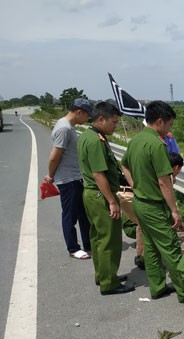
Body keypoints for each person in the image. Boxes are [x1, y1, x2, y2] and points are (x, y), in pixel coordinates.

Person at [120, 101, 184, 302]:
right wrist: (174, 211)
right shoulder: (157, 144)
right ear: (160, 121)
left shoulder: (136, 140)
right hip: (154, 206)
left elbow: (124, 165)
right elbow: (164, 181)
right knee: (171, 247)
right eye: (169, 125)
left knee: (150, 247)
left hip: (139, 202)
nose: (169, 129)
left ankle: (157, 287)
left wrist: (135, 185)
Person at [78, 102, 134, 295]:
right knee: (109, 239)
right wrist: (111, 201)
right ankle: (109, 283)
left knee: (98, 238)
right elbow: (99, 175)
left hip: (92, 194)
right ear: (101, 119)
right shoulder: (95, 141)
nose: (115, 126)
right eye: (113, 122)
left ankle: (103, 275)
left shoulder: (88, 135)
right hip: (100, 194)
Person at [43, 98, 93, 260]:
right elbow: (55, 156)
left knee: (83, 214)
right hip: (68, 179)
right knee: (70, 215)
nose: (87, 119)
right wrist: (50, 175)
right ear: (79, 112)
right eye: (87, 116)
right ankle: (73, 248)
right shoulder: (64, 128)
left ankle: (89, 244)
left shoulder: (67, 125)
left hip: (76, 177)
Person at [118, 151, 184, 271]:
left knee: (142, 226)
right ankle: (146, 259)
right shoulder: (165, 176)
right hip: (133, 199)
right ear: (176, 167)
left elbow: (123, 164)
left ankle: (141, 256)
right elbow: (166, 196)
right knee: (147, 227)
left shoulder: (152, 167)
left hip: (123, 196)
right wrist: (175, 212)